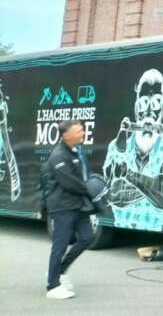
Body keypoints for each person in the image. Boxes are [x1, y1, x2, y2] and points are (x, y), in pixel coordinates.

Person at [43, 120, 95, 299]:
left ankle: (61, 270)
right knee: (60, 245)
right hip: (62, 207)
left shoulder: (76, 151)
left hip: (78, 204)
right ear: (66, 136)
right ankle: (52, 286)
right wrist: (91, 190)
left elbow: (83, 175)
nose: (83, 133)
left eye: (82, 130)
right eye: (78, 131)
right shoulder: (58, 156)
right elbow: (69, 183)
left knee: (88, 238)